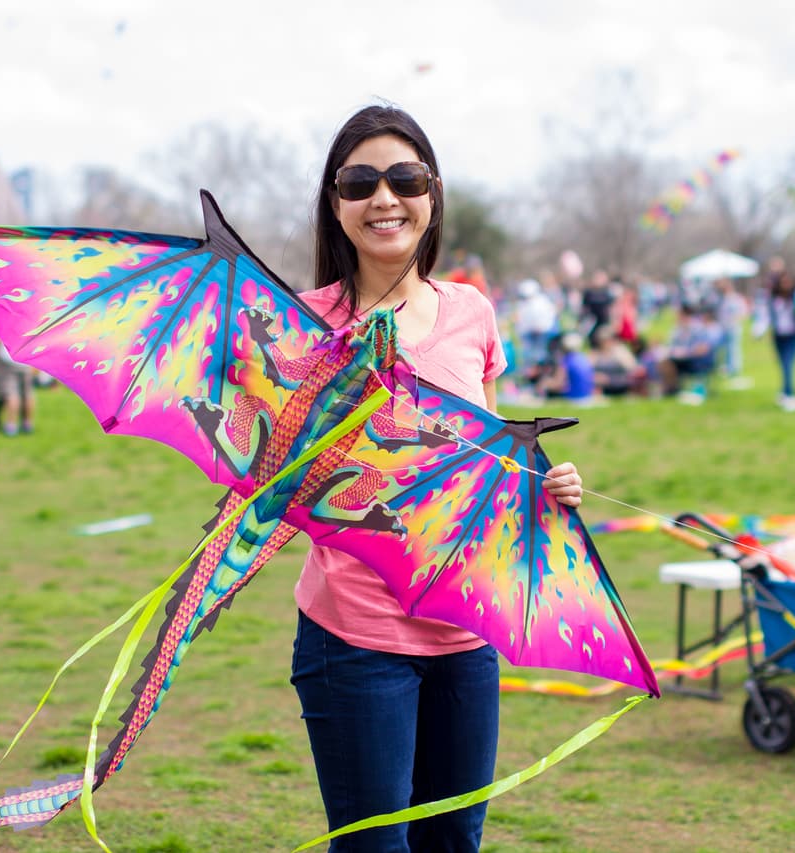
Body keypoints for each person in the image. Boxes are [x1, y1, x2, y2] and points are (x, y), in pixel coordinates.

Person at [290, 104, 583, 853]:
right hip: (356, 637)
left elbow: (493, 462)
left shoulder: (470, 311)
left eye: (403, 178)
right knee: (375, 846)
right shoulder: (306, 325)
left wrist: (541, 489)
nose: (384, 198)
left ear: (433, 192)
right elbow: (281, 490)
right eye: (359, 182)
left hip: (465, 626)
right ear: (335, 203)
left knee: (455, 838)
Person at [755, 269, 795, 412]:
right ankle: (785, 391)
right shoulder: (772, 298)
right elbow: (765, 317)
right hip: (778, 335)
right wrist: (758, 331)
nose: (786, 285)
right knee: (782, 364)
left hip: (793, 335)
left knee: (788, 363)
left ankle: (790, 394)